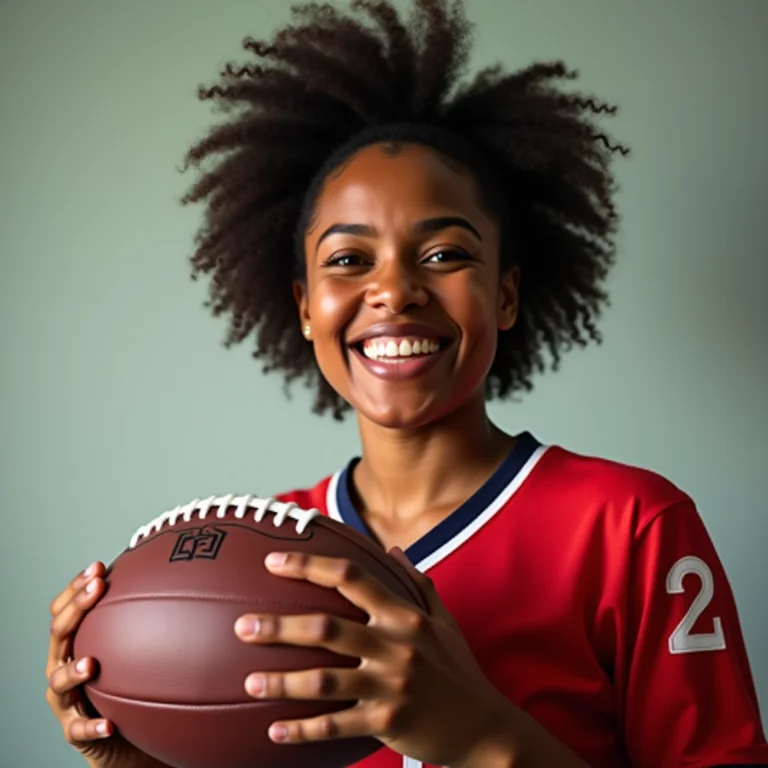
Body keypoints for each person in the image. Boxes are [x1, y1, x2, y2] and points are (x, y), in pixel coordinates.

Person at [46, 1, 768, 767]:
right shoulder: (261, 550)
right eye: (349, 260)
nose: (394, 291)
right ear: (305, 308)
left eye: (445, 254)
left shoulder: (631, 525)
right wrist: (152, 755)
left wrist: (482, 737)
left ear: (506, 295)